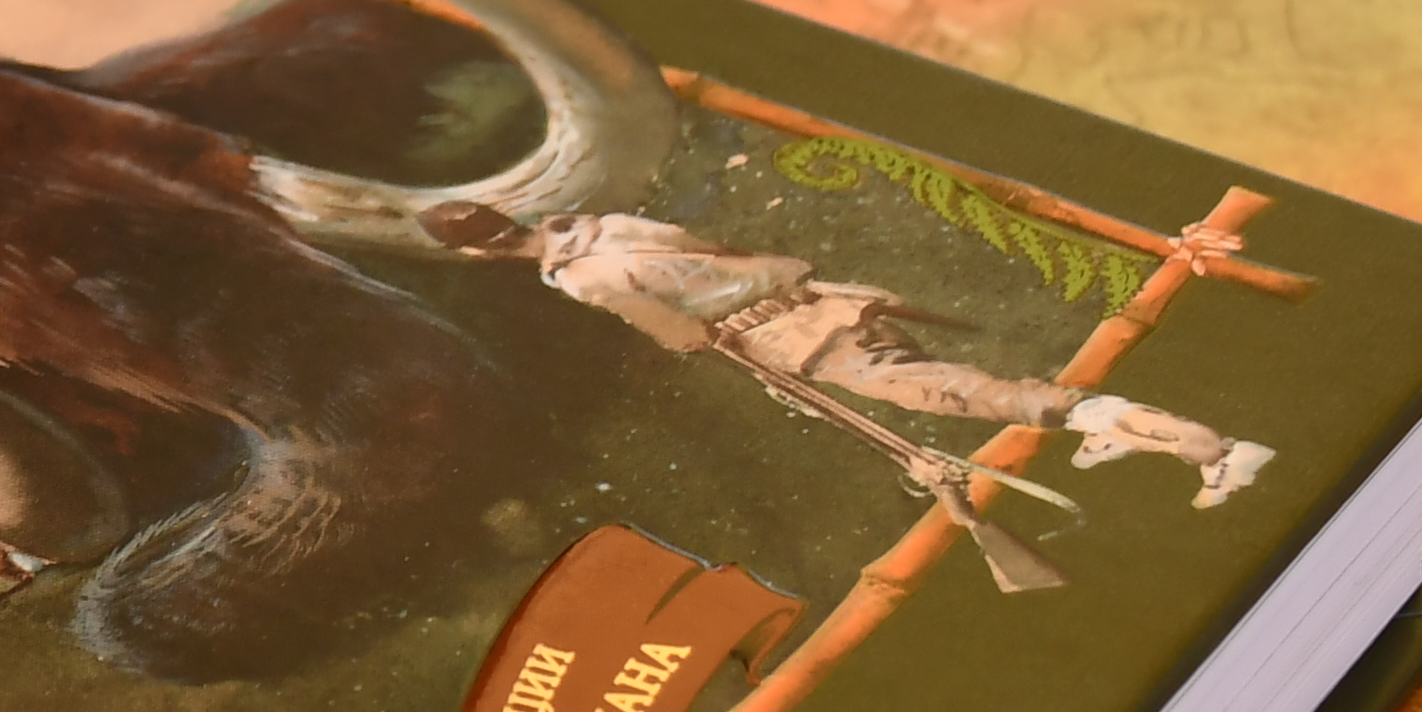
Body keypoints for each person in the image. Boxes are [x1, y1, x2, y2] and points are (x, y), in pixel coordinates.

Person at [421, 199, 1271, 508]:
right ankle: (1107, 428)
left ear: (480, 253)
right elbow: (711, 248)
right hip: (833, 299)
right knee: (945, 381)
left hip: (797, 340)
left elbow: (678, 331)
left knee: (959, 394)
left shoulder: (582, 279)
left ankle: (1199, 445)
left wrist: (698, 339)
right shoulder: (605, 223)